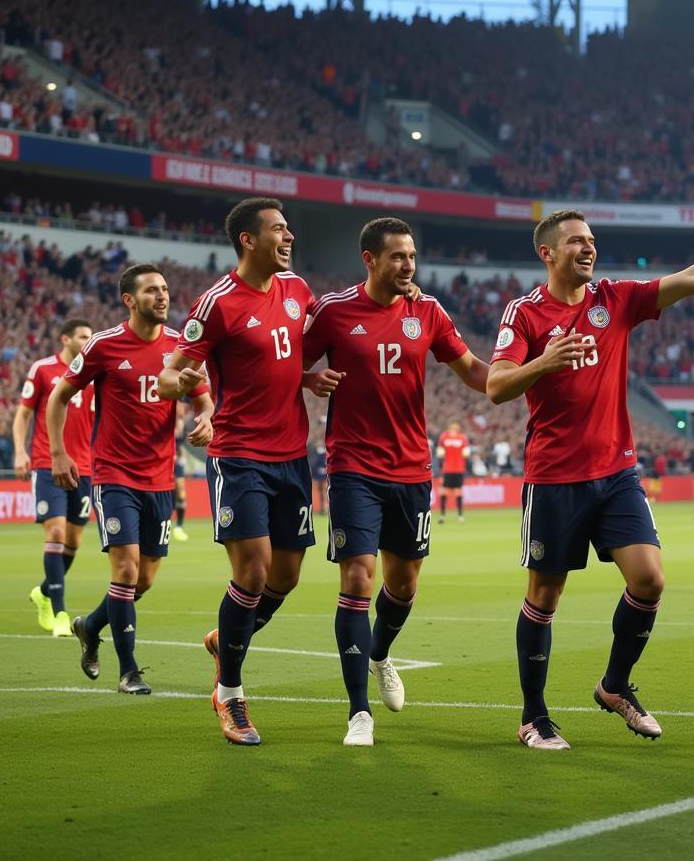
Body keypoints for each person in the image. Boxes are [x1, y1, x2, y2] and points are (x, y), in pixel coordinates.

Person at [487, 210, 694, 749]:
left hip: (617, 471)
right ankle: (533, 716)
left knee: (649, 580)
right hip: (554, 477)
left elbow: (691, 278)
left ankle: (614, 686)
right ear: (547, 253)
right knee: (545, 597)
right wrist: (543, 363)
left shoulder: (614, 300)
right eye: (576, 241)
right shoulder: (525, 314)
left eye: (592, 240)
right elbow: (497, 385)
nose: (588, 248)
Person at [158, 198, 340, 745]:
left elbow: (284, 355)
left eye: (288, 229)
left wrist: (305, 380)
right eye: (278, 230)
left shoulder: (298, 290)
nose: (289, 237)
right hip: (238, 453)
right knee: (254, 572)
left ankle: (227, 637)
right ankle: (230, 694)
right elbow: (171, 374)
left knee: (286, 576)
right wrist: (187, 390)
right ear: (248, 240)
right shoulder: (216, 302)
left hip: (292, 454)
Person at [302, 217, 489, 746]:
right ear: (370, 259)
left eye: (412, 256)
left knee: (403, 585)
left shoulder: (427, 311)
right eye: (398, 257)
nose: (408, 265)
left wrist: (526, 371)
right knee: (358, 578)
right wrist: (307, 378)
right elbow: (283, 361)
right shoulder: (335, 311)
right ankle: (359, 713)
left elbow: (473, 370)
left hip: (411, 468)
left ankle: (380, 655)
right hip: (352, 466)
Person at [49, 264, 213, 695]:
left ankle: (90, 625)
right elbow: (59, 395)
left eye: (164, 289)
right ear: (129, 299)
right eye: (151, 290)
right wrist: (59, 451)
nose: (162, 296)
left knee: (144, 579)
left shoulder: (180, 346)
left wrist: (206, 418)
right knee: (124, 571)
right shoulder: (104, 345)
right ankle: (129, 671)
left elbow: (203, 396)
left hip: (159, 477)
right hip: (114, 474)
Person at [13, 318, 95, 636]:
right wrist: (20, 452)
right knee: (57, 532)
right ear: (65, 339)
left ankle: (44, 592)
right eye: (83, 336)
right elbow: (23, 415)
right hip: (48, 463)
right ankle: (60, 613)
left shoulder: (94, 373)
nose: (89, 340)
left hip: (85, 467)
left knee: (73, 541)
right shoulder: (43, 369)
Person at [436, 422, 470, 524]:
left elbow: (440, 454)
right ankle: (445, 516)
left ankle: (456, 516)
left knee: (455, 491)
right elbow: (466, 454)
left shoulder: (454, 437)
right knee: (448, 491)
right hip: (450, 469)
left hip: (455, 469)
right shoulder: (451, 437)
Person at [172, 414, 189, 542]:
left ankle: (179, 526)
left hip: (176, 462)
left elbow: (180, 443)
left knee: (181, 493)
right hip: (163, 461)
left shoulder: (181, 423)